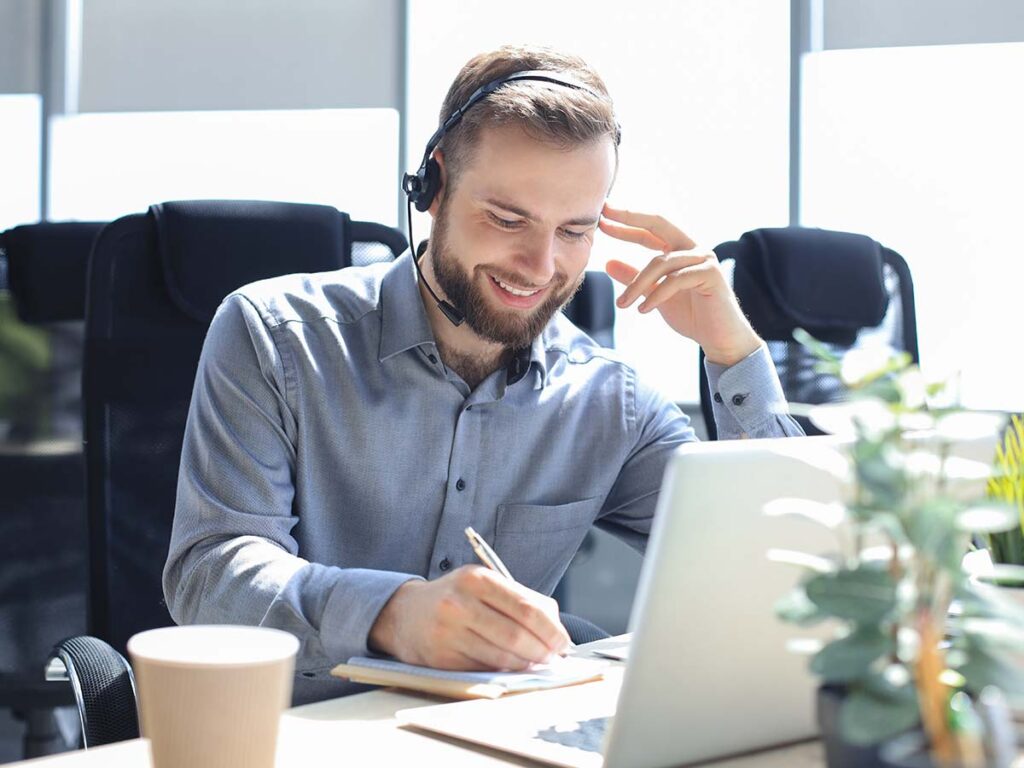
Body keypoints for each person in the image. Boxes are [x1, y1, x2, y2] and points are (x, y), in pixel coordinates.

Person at [163, 44, 803, 704]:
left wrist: (734, 349)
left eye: (575, 232)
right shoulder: (274, 336)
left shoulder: (612, 401)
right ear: (433, 188)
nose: (540, 264)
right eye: (508, 219)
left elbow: (792, 569)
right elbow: (209, 576)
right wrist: (391, 614)